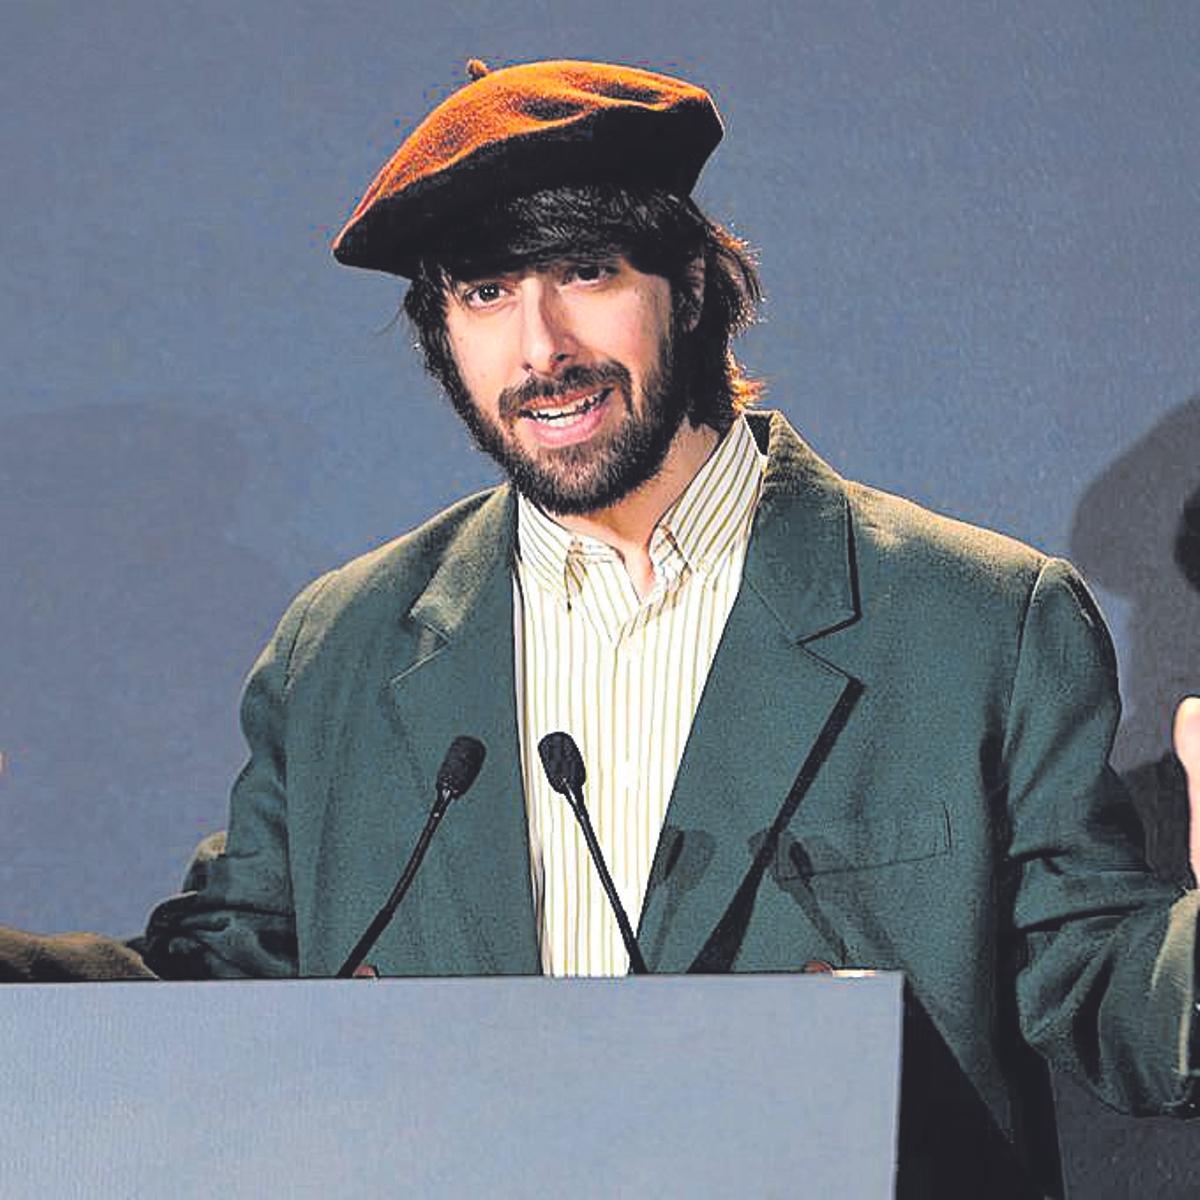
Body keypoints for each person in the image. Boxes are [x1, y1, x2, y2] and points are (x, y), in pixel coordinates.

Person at [4, 58, 1200, 1197]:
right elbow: (213, 991)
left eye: (584, 272)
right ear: (442, 332)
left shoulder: (976, 622)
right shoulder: (344, 648)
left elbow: (1106, 997)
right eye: (483, 294)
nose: (541, 349)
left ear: (687, 286)